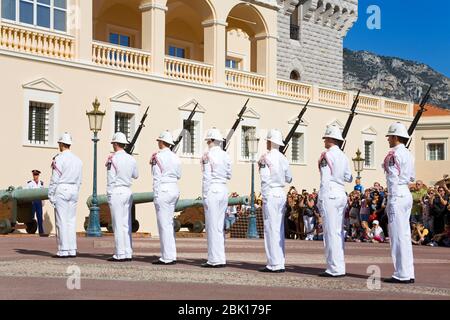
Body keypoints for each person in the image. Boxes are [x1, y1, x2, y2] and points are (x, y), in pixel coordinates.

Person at [317, 124, 353, 278]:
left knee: (330, 232)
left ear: (331, 139)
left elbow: (325, 178)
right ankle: (339, 266)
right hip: (341, 192)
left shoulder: (327, 155)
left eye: (326, 137)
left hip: (330, 192)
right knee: (338, 232)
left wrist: (321, 198)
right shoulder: (343, 156)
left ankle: (333, 268)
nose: (324, 140)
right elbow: (349, 177)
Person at [382, 122, 415, 284]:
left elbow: (393, 177)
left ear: (395, 137)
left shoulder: (393, 155)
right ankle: (408, 272)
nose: (388, 139)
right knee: (405, 234)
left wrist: (391, 200)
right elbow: (411, 177)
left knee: (397, 236)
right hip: (406, 193)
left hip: (397, 194)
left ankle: (401, 273)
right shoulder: (408, 154)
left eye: (389, 136)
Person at [258, 129, 293, 273]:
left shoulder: (265, 158)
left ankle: (273, 263)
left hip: (271, 193)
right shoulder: (283, 158)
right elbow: (289, 178)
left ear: (271, 141)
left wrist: (265, 197)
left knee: (270, 228)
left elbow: (265, 179)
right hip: (281, 192)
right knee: (279, 228)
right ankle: (280, 262)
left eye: (267, 140)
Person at [201, 128, 232, 268]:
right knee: (219, 227)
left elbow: (206, 176)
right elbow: (229, 174)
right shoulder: (226, 155)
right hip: (223, 188)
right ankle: (221, 258)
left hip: (212, 189)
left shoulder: (207, 155)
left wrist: (205, 194)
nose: (207, 142)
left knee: (211, 226)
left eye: (208, 140)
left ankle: (213, 259)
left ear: (211, 141)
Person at [48, 133, 82, 258]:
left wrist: (51, 194)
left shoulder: (59, 158)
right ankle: (72, 249)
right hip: (74, 189)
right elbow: (79, 180)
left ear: (62, 144)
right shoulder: (78, 160)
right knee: (71, 221)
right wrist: (76, 190)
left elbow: (55, 178)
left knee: (61, 221)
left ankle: (63, 249)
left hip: (62, 188)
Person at [106, 132, 139, 262]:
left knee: (117, 224)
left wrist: (109, 195)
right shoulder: (131, 159)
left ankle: (120, 253)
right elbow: (136, 175)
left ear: (115, 144)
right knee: (126, 224)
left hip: (117, 191)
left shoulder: (112, 159)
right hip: (127, 191)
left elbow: (111, 178)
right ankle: (127, 252)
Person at [151, 131, 181, 265]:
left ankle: (166, 257)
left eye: (159, 141)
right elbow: (179, 175)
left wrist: (156, 195)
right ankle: (171, 255)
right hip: (174, 188)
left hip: (163, 189)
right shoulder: (175, 157)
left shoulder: (157, 156)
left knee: (164, 225)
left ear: (162, 142)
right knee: (169, 224)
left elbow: (156, 176)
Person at [26, 170, 47, 236]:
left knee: (40, 217)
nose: (36, 176)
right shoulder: (29, 183)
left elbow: (42, 192)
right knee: (31, 216)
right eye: (34, 175)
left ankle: (41, 231)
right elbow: (27, 192)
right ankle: (30, 229)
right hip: (33, 201)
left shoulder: (41, 183)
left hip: (39, 201)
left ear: (38, 175)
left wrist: (43, 201)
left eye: (37, 175)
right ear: (33, 175)